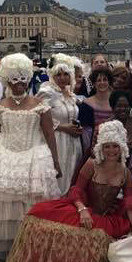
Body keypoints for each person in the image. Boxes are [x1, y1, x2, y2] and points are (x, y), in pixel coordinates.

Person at [0, 120, 132, 262]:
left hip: (107, 216)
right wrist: (82, 210)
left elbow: (130, 204)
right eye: (107, 146)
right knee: (41, 215)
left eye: (115, 146)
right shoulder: (91, 164)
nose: (111, 151)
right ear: (100, 148)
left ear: (122, 148)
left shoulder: (125, 172)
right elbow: (76, 191)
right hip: (82, 207)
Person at [0, 53, 61, 258]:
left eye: (23, 79)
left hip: (34, 155)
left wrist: (56, 161)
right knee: (7, 203)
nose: (20, 84)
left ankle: (33, 245)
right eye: (15, 80)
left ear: (28, 79)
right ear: (7, 80)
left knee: (31, 201)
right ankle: (12, 248)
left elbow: (49, 135)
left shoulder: (40, 104)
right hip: (5, 154)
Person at [39, 54, 83, 194]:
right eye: (58, 74)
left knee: (72, 177)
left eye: (66, 74)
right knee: (59, 179)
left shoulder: (69, 93)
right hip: (56, 141)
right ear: (52, 75)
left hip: (73, 142)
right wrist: (63, 127)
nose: (63, 77)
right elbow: (37, 118)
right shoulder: (46, 92)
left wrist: (76, 127)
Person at [77, 67, 114, 150]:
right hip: (92, 145)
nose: (102, 83)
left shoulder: (116, 101)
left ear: (109, 82)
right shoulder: (86, 103)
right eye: (98, 80)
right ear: (94, 83)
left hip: (113, 144)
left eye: (105, 80)